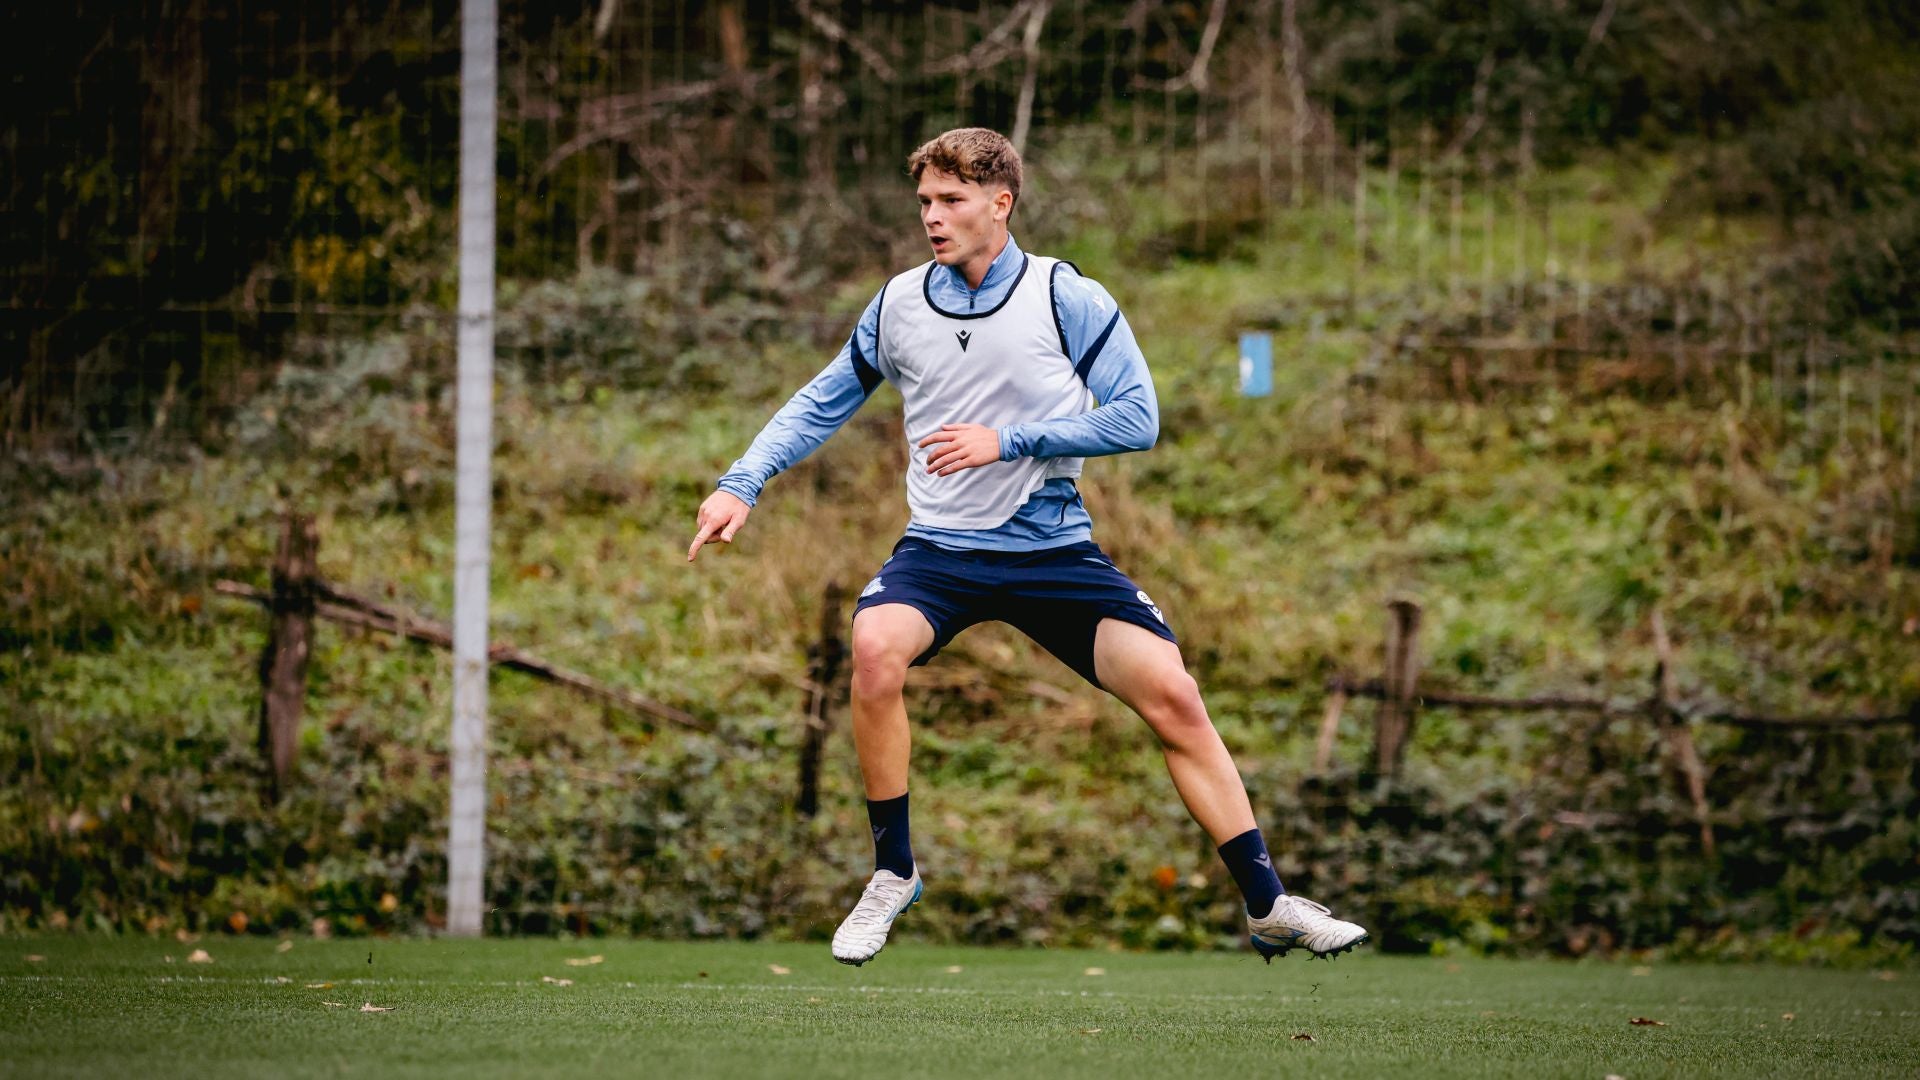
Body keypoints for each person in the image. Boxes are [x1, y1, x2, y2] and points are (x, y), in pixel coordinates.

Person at [688, 128, 1367, 966]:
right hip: (941, 552)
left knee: (1175, 696)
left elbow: (1137, 417)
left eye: (952, 200)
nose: (933, 218)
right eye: (925, 202)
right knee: (873, 649)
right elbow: (820, 401)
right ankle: (893, 873)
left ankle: (1269, 905)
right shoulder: (898, 304)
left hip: (1052, 552)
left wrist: (1008, 441)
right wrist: (741, 483)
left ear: (1000, 203)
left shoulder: (1064, 297)